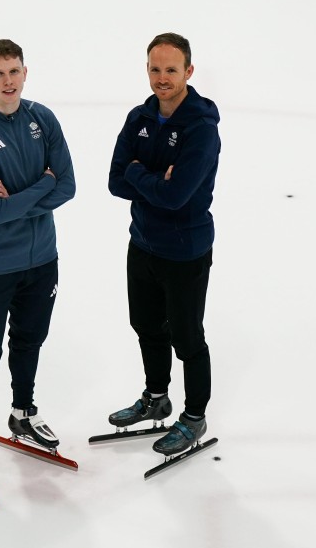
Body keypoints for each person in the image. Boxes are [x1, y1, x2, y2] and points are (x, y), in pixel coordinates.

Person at [0, 39, 77, 478]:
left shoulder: (42, 119)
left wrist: (29, 192)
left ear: (26, 72)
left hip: (42, 258)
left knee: (29, 340)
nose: (8, 81)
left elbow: (70, 186)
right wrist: (43, 184)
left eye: (15, 71)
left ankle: (22, 413)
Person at [106, 32, 221, 456]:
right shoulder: (139, 117)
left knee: (187, 337)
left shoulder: (201, 131)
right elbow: (115, 181)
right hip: (143, 243)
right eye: (155, 69)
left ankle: (194, 416)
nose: (162, 77)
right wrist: (150, 177)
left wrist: (139, 173)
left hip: (185, 250)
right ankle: (157, 396)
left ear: (189, 71)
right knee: (146, 326)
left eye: (171, 69)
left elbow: (177, 196)